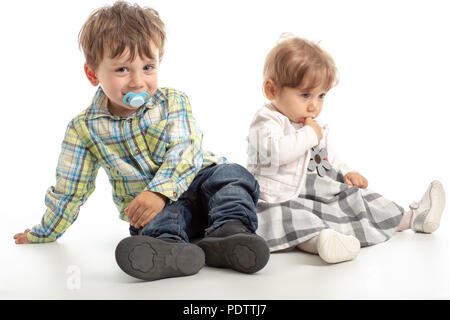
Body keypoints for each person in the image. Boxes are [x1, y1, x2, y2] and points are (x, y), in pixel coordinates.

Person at [14, 1, 269, 281]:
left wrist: (159, 191)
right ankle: (169, 248)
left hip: (200, 185)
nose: (138, 81)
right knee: (151, 216)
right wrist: (45, 231)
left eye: (148, 67)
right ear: (92, 74)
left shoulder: (173, 101)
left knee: (232, 175)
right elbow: (70, 189)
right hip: (157, 208)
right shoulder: (83, 129)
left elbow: (186, 149)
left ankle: (229, 232)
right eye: (122, 70)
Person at [246, 35, 446, 264]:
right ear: (272, 90)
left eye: (321, 95)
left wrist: (347, 171)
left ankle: (413, 218)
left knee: (357, 200)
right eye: (305, 95)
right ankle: (325, 242)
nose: (314, 105)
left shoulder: (310, 124)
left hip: (317, 191)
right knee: (297, 219)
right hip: (279, 196)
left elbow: (327, 157)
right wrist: (309, 134)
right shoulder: (266, 120)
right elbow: (275, 153)